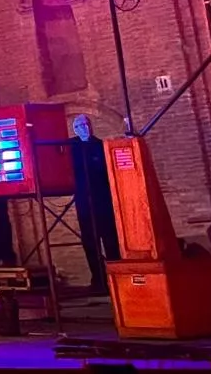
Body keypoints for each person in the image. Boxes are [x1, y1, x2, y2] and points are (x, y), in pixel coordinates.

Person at [70, 114, 120, 293]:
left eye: (86, 123)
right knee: (90, 242)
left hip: (103, 200)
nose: (85, 127)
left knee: (110, 240)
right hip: (84, 201)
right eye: (80, 125)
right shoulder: (71, 147)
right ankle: (98, 279)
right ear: (75, 129)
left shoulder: (100, 145)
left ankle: (116, 278)